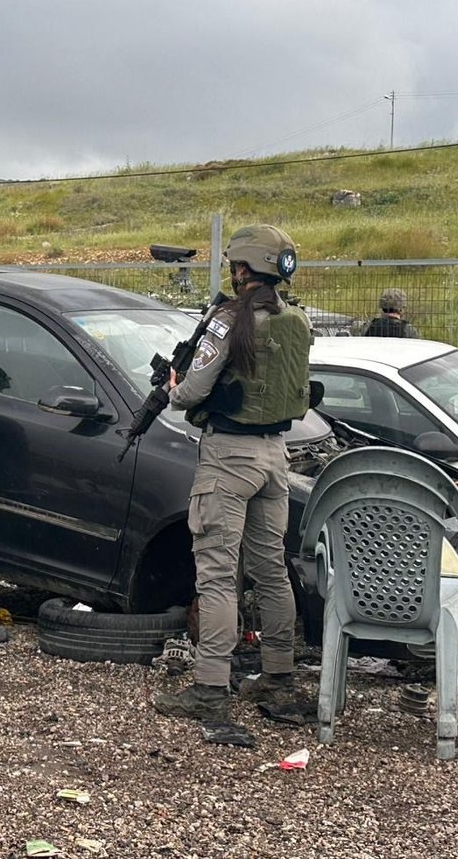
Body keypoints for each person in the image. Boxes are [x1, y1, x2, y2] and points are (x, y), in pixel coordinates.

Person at [152, 224, 313, 722]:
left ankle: (210, 688)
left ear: (243, 268)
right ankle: (278, 678)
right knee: (271, 572)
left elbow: (192, 391)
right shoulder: (296, 320)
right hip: (274, 456)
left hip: (229, 458)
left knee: (218, 576)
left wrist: (174, 387)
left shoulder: (228, 319)